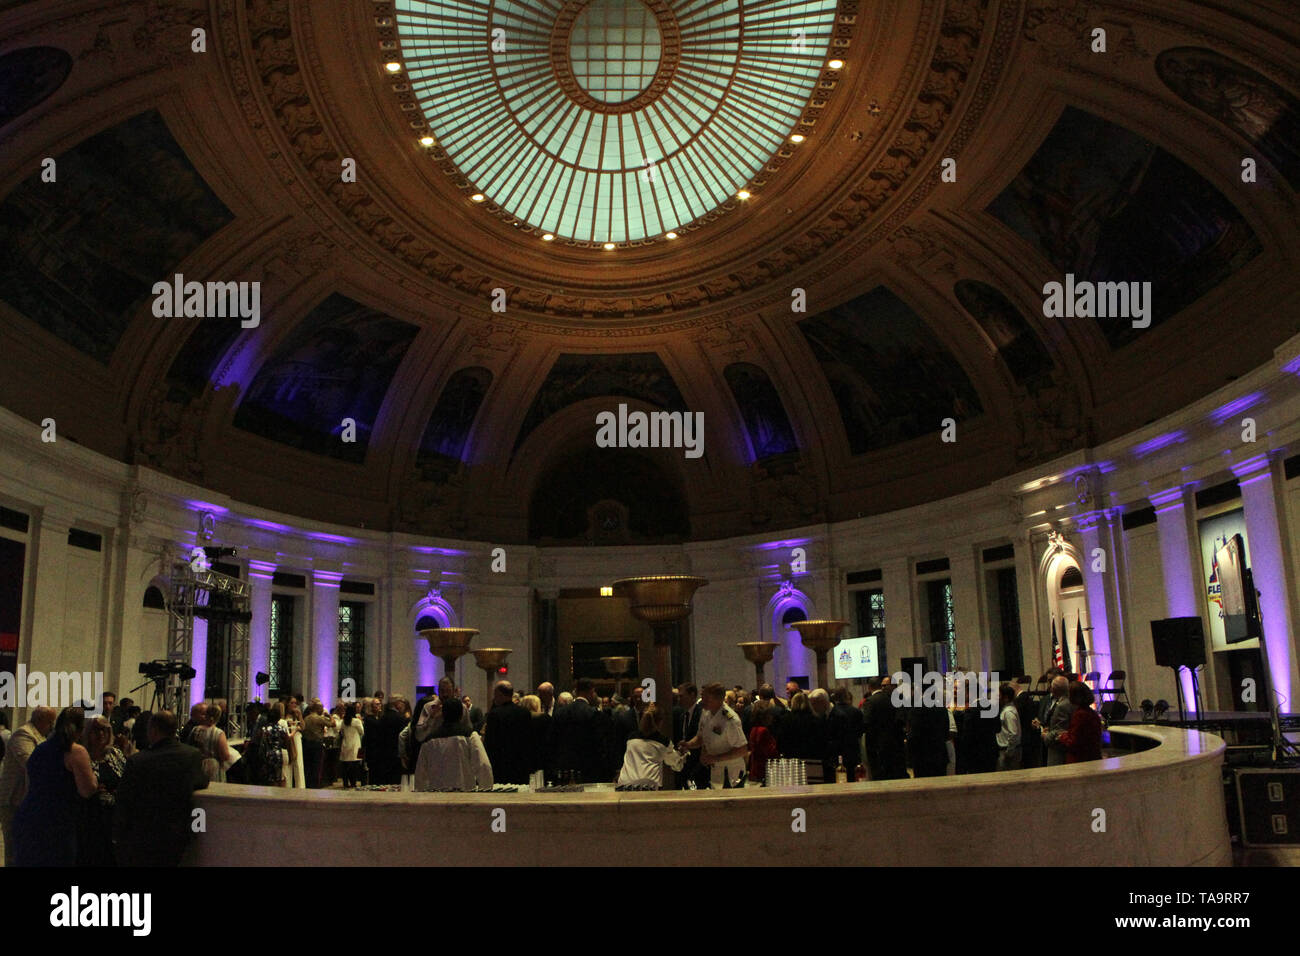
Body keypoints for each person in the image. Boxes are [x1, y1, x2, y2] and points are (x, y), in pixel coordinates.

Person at [112, 710, 207, 866]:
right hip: (177, 831)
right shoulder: (192, 755)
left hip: (144, 834)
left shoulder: (138, 761)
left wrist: (119, 835)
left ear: (153, 730)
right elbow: (201, 782)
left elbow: (124, 800)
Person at [11, 707, 99, 866]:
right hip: (56, 823)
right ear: (82, 729)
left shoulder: (40, 748)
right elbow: (87, 790)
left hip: (29, 817)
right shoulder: (75, 751)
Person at [0, 705, 55, 866]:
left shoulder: (42, 736)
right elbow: (32, 764)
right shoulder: (23, 734)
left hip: (27, 802)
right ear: (39, 719)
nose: (52, 726)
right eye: (50, 722)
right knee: (14, 851)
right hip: (13, 801)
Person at [414, 698, 493, 791]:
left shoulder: (429, 740)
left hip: (436, 796)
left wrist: (420, 793)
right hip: (465, 794)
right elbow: (483, 765)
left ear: (442, 714)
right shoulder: (470, 735)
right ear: (461, 714)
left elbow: (421, 773)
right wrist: (486, 789)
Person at [679, 682, 748, 788]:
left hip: (732, 773)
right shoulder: (706, 714)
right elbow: (700, 738)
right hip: (715, 771)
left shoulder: (730, 720)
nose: (702, 701)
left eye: (706, 698)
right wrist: (688, 745)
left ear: (717, 699)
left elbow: (742, 750)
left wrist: (714, 758)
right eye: (702, 697)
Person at [79, 715, 126, 866]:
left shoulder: (115, 754)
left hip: (113, 818)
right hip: (88, 817)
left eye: (104, 730)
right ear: (88, 733)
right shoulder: (81, 755)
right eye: (96, 730)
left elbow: (126, 778)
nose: (101, 734)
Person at [551, 678, 607, 783]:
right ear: (590, 691)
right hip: (588, 766)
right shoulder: (593, 713)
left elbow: (553, 740)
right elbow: (599, 742)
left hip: (565, 766)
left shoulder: (560, 712)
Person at [616, 706, 685, 788]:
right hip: (648, 787)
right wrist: (681, 753)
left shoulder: (631, 738)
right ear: (660, 722)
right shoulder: (663, 742)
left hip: (625, 785)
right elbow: (675, 764)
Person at [483, 680, 534, 784]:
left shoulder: (494, 714)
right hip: (521, 764)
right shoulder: (524, 713)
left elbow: (490, 744)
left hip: (501, 766)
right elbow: (529, 739)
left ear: (499, 694)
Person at [1035, 676, 1075, 766]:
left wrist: (1046, 736)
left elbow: (1060, 731)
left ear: (1054, 690)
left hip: (1058, 750)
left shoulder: (1062, 706)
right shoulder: (1070, 702)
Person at [673, 682, 706, 789]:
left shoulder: (702, 714)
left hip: (699, 766)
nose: (679, 699)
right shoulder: (682, 715)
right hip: (684, 765)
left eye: (681, 696)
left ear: (692, 695)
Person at [1059, 682, 1103, 763]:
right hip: (1093, 757)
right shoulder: (1092, 713)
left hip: (1080, 760)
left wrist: (1062, 736)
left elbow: (1073, 742)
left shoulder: (1080, 715)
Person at [192, 703, 236, 783]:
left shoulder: (195, 729)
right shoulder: (218, 733)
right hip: (213, 767)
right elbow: (225, 755)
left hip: (198, 765)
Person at [828, 687, 863, 781]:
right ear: (847, 696)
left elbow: (830, 733)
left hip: (837, 751)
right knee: (853, 777)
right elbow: (860, 732)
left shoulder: (832, 712)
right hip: (853, 750)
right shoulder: (856, 712)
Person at [747, 698, 779, 783]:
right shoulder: (763, 731)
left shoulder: (754, 729)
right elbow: (770, 752)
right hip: (763, 771)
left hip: (755, 769)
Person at [300, 701, 329, 788]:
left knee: (308, 766)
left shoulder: (306, 718)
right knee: (317, 766)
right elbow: (333, 724)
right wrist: (329, 716)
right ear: (318, 709)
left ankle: (308, 784)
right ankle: (315, 785)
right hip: (317, 744)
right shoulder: (319, 718)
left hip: (307, 744)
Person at [996, 683, 1022, 772]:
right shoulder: (1007, 710)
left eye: (999, 695)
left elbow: (1014, 733)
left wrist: (1008, 752)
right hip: (1008, 751)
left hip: (1009, 752)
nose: (997, 698)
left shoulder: (1008, 713)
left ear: (1006, 697)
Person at [338, 702, 365, 788]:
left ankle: (345, 783)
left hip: (345, 745)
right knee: (355, 766)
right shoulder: (356, 721)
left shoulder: (343, 721)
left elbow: (341, 732)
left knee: (345, 765)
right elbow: (362, 732)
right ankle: (353, 782)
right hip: (356, 745)